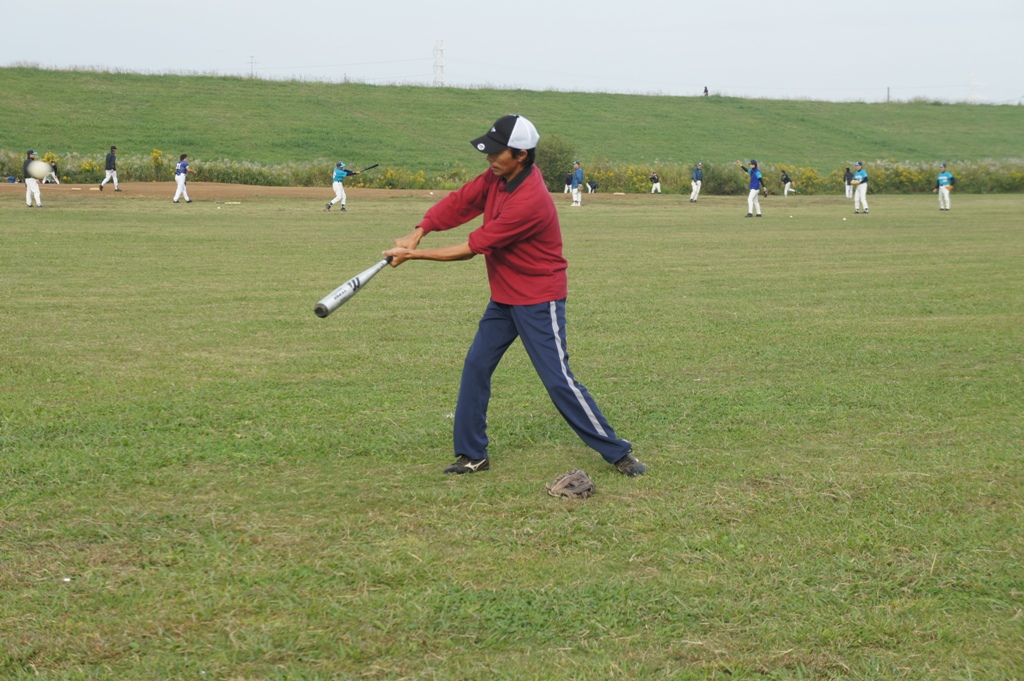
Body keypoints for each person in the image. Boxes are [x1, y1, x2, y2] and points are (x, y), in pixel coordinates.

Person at [383, 114, 645, 478]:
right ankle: (472, 454)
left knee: (557, 380)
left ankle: (618, 453)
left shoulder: (530, 200)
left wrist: (413, 255)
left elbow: (473, 247)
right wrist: (419, 231)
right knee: (476, 365)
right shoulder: (497, 177)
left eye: (496, 153)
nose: (489, 159)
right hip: (504, 298)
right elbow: (460, 202)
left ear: (521, 155)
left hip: (539, 298)